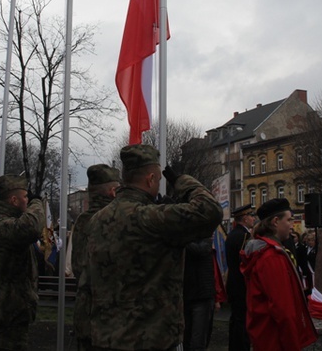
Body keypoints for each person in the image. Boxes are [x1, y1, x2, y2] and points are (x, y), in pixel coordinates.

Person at [86, 144, 223, 351]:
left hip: (105, 338)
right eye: (158, 179)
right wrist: (182, 181)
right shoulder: (150, 218)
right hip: (149, 339)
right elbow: (211, 210)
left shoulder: (97, 219)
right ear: (150, 179)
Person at [0, 174, 44, 351]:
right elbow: (31, 227)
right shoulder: (1, 225)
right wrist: (37, 203)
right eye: (25, 197)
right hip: (7, 309)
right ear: (14, 200)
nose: (28, 201)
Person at [241, 198, 317, 350]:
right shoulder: (271, 257)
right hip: (275, 341)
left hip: (266, 337)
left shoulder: (267, 252)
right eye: (289, 220)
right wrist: (293, 345)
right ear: (276, 221)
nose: (291, 225)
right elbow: (283, 310)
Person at [71, 164, 120, 351]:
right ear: (113, 191)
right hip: (111, 317)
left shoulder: (83, 221)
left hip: (85, 312)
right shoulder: (114, 220)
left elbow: (77, 267)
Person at [224, 203, 255, 351]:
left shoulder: (232, 234)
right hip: (242, 284)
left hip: (233, 283)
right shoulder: (244, 236)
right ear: (245, 218)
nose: (253, 218)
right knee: (242, 322)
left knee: (235, 320)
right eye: (251, 215)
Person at [183, 236, 217, 351]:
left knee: (198, 340)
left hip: (201, 295)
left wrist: (181, 240)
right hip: (188, 294)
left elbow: (200, 251)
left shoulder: (205, 239)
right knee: (186, 338)